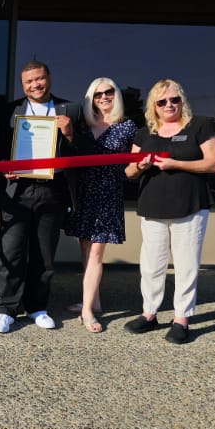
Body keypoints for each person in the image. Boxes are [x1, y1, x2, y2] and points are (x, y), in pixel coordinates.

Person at [123, 79, 215, 344]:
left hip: (190, 205)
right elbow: (129, 171)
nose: (169, 105)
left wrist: (176, 163)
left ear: (182, 101)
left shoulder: (199, 125)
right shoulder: (144, 134)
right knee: (151, 265)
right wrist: (141, 166)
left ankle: (182, 319)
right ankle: (149, 313)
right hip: (153, 206)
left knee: (186, 264)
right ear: (153, 105)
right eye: (162, 101)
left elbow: (214, 164)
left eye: (174, 99)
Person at [0, 59, 79, 334]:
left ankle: (37, 307)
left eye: (39, 79)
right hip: (17, 191)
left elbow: (82, 154)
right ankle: (7, 308)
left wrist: (70, 133)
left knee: (43, 255)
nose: (35, 85)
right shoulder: (10, 110)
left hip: (52, 191)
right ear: (22, 85)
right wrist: (4, 169)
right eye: (29, 81)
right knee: (11, 252)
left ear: (49, 78)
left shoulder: (70, 110)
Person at [63, 78, 136, 332]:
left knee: (96, 253)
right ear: (90, 99)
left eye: (109, 92)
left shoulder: (127, 126)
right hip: (83, 193)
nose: (104, 97)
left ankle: (86, 312)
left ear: (116, 95)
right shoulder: (83, 127)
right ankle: (93, 300)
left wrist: (129, 172)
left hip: (107, 194)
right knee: (85, 250)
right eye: (97, 94)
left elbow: (133, 164)